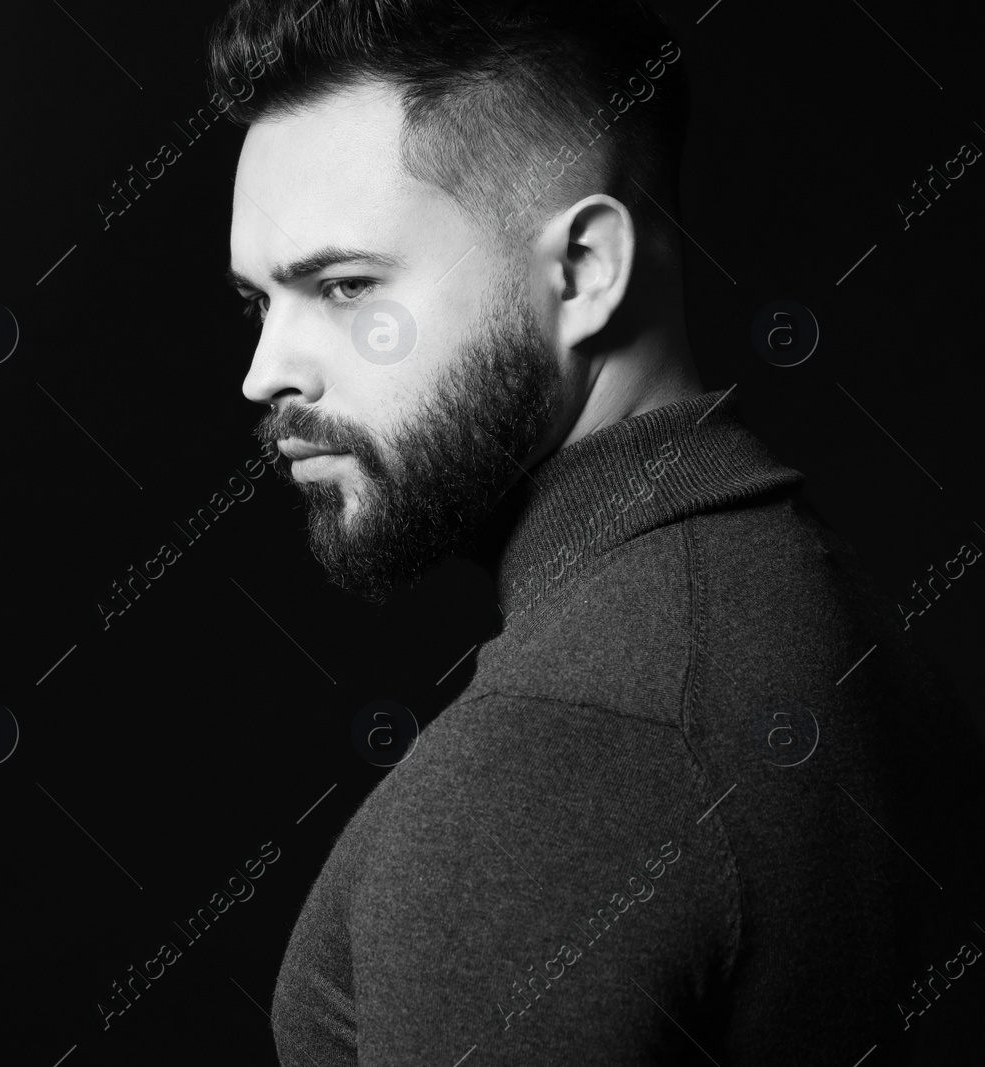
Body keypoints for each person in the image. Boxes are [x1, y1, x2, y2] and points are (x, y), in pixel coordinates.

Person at [209, 1, 985, 1063]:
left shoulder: (557, 753)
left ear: (582, 271)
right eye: (258, 302)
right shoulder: (842, 621)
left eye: (344, 287)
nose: (266, 372)